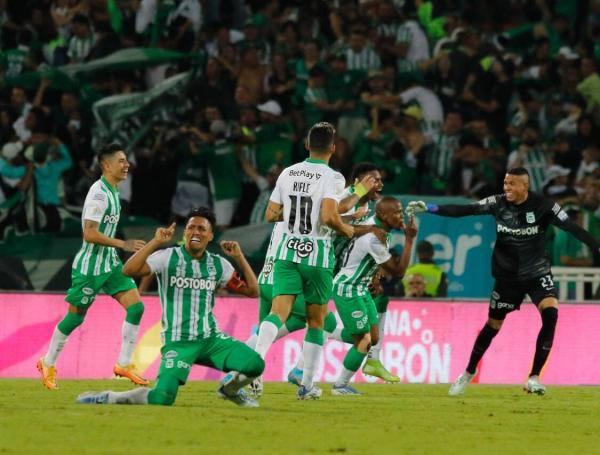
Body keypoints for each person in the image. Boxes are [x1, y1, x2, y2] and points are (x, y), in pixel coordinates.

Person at [407, 167, 600, 396]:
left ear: (524, 187)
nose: (506, 188)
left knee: (551, 315)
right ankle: (468, 372)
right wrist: (430, 208)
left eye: (512, 184)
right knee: (493, 326)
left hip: (537, 273)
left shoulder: (544, 206)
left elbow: (573, 228)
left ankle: (534, 377)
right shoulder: (497, 203)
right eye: (505, 183)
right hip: (507, 278)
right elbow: (464, 210)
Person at [76, 208, 265, 408]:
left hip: (211, 340)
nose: (196, 232)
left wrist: (239, 256)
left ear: (210, 236)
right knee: (161, 398)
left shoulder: (219, 265)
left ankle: (230, 390)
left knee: (255, 365)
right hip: (178, 343)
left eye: (202, 229)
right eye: (191, 227)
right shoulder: (166, 257)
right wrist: (155, 242)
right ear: (185, 233)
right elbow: (128, 270)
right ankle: (110, 397)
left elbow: (253, 291)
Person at [254, 121, 377, 400]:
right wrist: (347, 229)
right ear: (333, 148)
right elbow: (329, 217)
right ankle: (307, 386)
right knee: (316, 321)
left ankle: (254, 366)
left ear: (307, 145)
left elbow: (271, 215)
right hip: (317, 257)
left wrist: (298, 213)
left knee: (278, 312)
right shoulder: (333, 178)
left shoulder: (287, 173)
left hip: (286, 254)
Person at [37, 143, 148, 390]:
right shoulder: (98, 193)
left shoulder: (114, 191)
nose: (126, 164)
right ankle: (48, 362)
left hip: (110, 264)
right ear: (106, 165)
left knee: (137, 308)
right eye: (121, 160)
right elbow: (89, 233)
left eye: (126, 160)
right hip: (90, 268)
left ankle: (124, 364)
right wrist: (123, 243)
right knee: (75, 318)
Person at [332, 197, 417, 395]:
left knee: (374, 336)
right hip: (348, 288)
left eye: (401, 211)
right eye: (396, 212)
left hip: (361, 287)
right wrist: (410, 240)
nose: (401, 216)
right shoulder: (374, 238)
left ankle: (326, 333)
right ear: (382, 215)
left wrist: (375, 275)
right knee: (364, 340)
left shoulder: (378, 229)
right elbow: (397, 271)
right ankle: (340, 386)